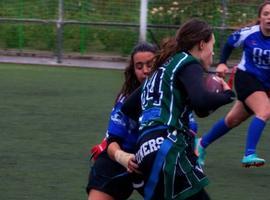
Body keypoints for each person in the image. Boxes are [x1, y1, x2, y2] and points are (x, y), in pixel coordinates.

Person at [121, 18, 235, 200]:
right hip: (168, 147)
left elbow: (128, 107)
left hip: (145, 150)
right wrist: (228, 96)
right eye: (212, 46)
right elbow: (202, 102)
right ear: (201, 44)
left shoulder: (160, 70)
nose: (213, 52)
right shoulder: (188, 62)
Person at [196, 1, 270, 168]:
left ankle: (200, 145)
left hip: (265, 85)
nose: (269, 17)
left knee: (232, 120)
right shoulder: (249, 34)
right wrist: (222, 62)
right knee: (264, 110)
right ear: (260, 17)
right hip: (247, 78)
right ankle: (249, 154)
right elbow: (229, 43)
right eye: (266, 14)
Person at [86, 42, 158, 200]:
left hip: (155, 161)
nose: (145, 70)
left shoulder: (171, 95)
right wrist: (124, 158)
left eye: (150, 65)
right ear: (133, 70)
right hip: (119, 160)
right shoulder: (126, 99)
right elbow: (112, 142)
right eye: (139, 66)